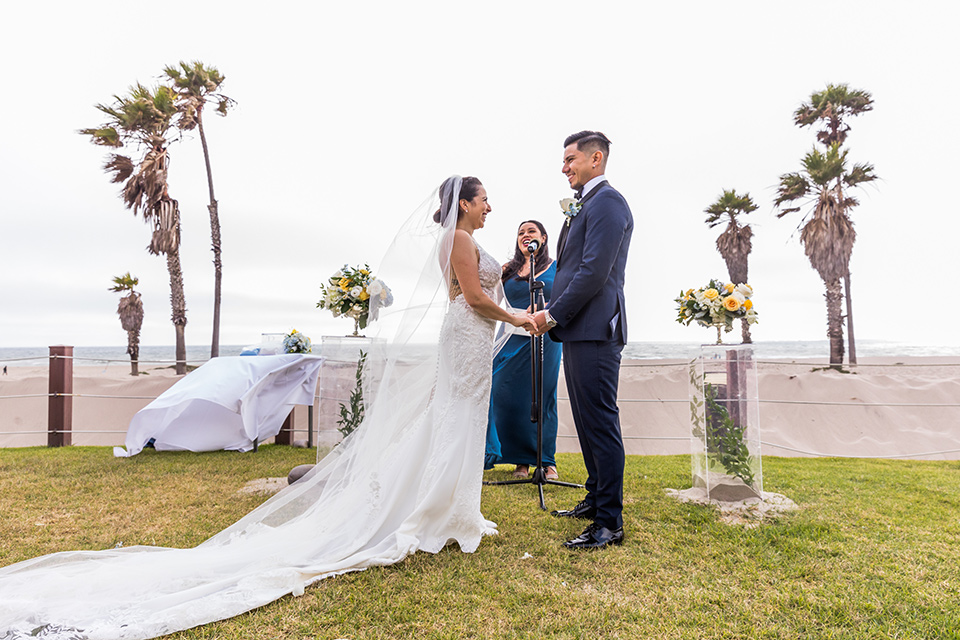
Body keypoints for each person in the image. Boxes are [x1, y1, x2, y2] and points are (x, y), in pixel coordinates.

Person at [0, 176, 535, 639]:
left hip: (470, 337)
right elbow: (472, 298)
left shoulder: (464, 238)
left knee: (460, 418)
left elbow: (484, 287)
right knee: (452, 418)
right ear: (464, 202)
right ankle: (437, 512)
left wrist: (511, 282)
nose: (491, 206)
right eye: (484, 198)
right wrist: (519, 320)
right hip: (468, 332)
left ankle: (458, 508)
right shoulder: (459, 238)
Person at [533, 131, 634, 550]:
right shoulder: (585, 205)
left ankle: (609, 522)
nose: (564, 167)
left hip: (595, 329)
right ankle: (595, 499)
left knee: (600, 422)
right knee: (588, 422)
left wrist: (553, 314)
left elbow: (593, 271)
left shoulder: (608, 202)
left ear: (596, 159)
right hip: (578, 330)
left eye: (570, 159)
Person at [484, 220, 562, 480]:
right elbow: (491, 301)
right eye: (521, 232)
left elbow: (565, 296)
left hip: (544, 337)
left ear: (543, 237)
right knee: (504, 393)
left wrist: (547, 307)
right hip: (510, 337)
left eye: (531, 231)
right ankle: (520, 460)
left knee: (542, 395)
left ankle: (545, 461)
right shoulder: (507, 269)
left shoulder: (557, 267)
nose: (525, 235)